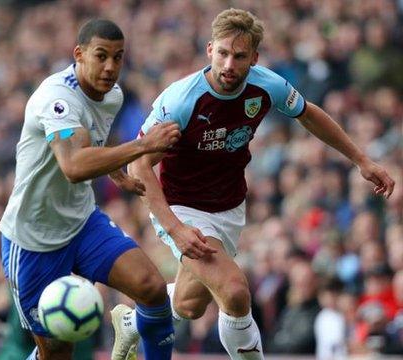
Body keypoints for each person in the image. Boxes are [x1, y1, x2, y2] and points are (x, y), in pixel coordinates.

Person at [113, 7, 396, 360]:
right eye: (223, 53)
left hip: (229, 207)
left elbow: (309, 114)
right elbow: (141, 165)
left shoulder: (267, 85)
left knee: (189, 305)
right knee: (234, 292)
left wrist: (362, 160)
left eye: (240, 56)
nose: (229, 65)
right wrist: (174, 227)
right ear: (210, 50)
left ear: (254, 58)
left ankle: (133, 320)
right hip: (182, 206)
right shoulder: (181, 100)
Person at [0, 19, 181, 360]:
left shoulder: (112, 96)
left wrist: (115, 172)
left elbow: (92, 139)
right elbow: (73, 166)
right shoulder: (56, 99)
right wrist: (141, 147)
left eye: (118, 57)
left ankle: (133, 330)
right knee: (58, 352)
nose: (110, 67)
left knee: (152, 289)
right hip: (34, 240)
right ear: (79, 54)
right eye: (101, 56)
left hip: (82, 223)